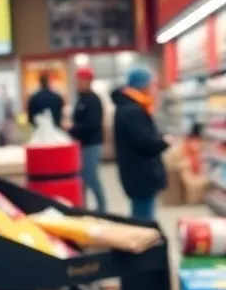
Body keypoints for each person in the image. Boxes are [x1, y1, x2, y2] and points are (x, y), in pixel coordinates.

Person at [112, 66, 168, 220]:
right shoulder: (133, 110)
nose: (154, 89)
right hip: (141, 175)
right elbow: (145, 143)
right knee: (143, 219)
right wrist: (163, 142)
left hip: (135, 173)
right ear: (143, 86)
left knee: (140, 213)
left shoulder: (129, 106)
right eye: (152, 84)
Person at [70, 66, 106, 212]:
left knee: (91, 177)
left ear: (89, 81)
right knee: (81, 179)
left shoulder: (93, 100)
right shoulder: (80, 99)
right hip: (81, 144)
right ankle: (83, 207)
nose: (77, 83)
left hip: (91, 144)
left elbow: (92, 123)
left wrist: (72, 129)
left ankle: (102, 207)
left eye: (80, 80)